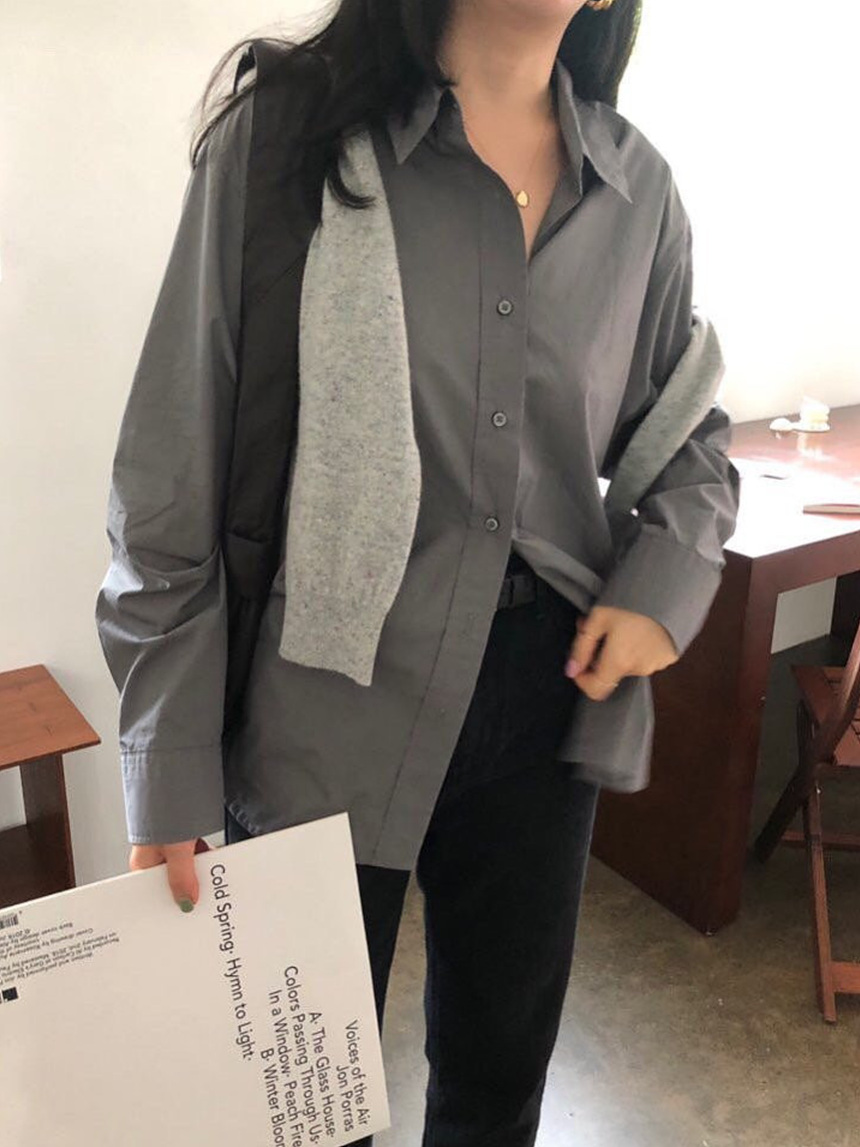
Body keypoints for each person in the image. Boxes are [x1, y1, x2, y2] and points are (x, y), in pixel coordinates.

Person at [95, 1, 740, 1143]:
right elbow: (170, 470)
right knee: (297, 1106)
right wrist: (168, 767)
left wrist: (663, 585)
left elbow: (689, 436)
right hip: (323, 699)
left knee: (498, 1086)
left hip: (546, 703)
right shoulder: (287, 142)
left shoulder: (639, 194)